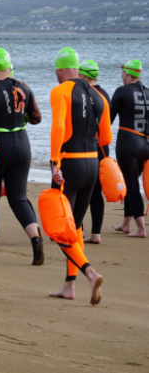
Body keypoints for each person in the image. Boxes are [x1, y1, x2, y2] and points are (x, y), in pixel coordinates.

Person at [49, 47, 109, 305]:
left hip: (69, 166)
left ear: (61, 69)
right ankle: (69, 286)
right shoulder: (99, 96)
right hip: (91, 166)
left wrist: (54, 163)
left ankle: (89, 272)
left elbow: (59, 126)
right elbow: (105, 137)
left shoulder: (60, 91)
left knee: (60, 228)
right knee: (76, 226)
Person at [0, 48, 44, 265]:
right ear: (10, 66)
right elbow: (37, 118)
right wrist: (19, 115)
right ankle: (35, 239)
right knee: (19, 198)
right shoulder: (24, 87)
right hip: (22, 144)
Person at [110, 59, 148, 238]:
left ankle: (141, 228)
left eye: (122, 72)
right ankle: (126, 224)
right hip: (145, 144)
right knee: (128, 182)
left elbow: (107, 119)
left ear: (127, 73)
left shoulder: (121, 91)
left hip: (128, 144)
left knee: (131, 185)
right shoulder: (148, 92)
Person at [78, 60, 112, 244]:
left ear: (83, 75)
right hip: (102, 147)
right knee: (96, 190)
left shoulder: (84, 93)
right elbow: (107, 124)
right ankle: (96, 234)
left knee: (80, 189)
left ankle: (79, 230)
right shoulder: (105, 94)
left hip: (86, 146)